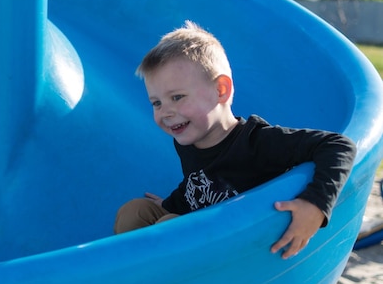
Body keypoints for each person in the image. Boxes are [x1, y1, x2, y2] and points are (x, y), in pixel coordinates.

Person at [114, 20, 357, 259]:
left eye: (177, 97)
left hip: (241, 247)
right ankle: (128, 275)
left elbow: (339, 145)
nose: (165, 111)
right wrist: (171, 203)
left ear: (221, 90)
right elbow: (201, 182)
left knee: (169, 226)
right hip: (205, 228)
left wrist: (315, 205)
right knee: (133, 212)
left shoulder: (258, 142)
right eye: (156, 103)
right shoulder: (187, 141)